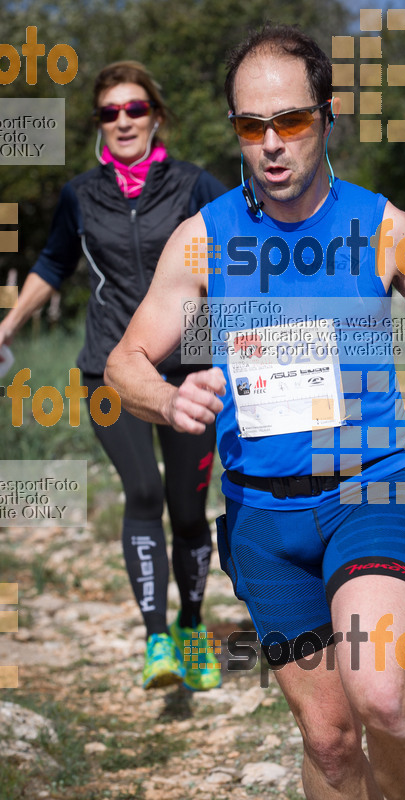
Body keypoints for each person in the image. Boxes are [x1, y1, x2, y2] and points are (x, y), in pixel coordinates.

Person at [104, 27, 405, 800]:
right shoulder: (203, 239)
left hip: (368, 492)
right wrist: (166, 395)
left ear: (326, 116)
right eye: (250, 126)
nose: (271, 144)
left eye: (290, 120)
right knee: (328, 741)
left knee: (381, 697)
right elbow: (126, 361)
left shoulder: (382, 225)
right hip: (260, 515)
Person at [0, 61, 227, 692]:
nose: (122, 121)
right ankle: (156, 639)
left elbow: (241, 251)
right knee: (143, 494)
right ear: (99, 122)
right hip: (109, 369)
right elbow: (53, 262)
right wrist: (9, 324)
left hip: (189, 372)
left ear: (155, 115)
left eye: (134, 109)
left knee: (187, 508)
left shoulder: (193, 186)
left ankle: (191, 625)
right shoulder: (81, 195)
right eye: (109, 112)